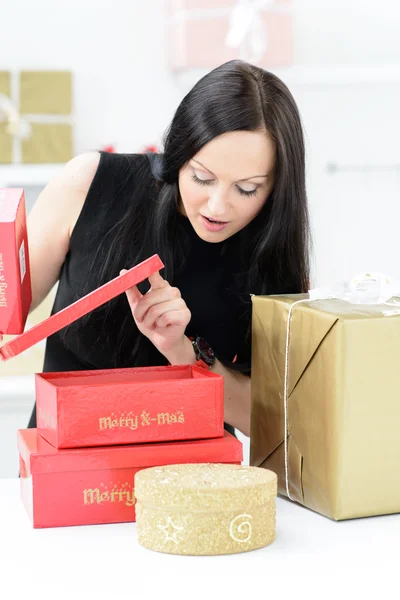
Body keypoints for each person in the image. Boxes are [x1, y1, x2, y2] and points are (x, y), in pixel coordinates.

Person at [0, 60, 310, 437]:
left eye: (247, 188)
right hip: (64, 468)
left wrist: (180, 349)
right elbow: (8, 310)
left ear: (277, 185)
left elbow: (267, 421)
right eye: (202, 177)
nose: (216, 207)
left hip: (193, 482)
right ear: (179, 154)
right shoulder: (90, 184)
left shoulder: (273, 254)